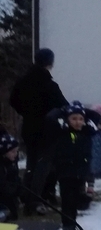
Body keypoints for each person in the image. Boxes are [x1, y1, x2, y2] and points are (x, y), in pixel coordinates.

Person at [9, 48, 67, 209]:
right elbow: (64, 105)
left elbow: (13, 101)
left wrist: (25, 112)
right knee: (43, 165)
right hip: (47, 130)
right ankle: (35, 199)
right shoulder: (50, 85)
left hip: (28, 127)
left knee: (31, 163)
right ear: (50, 63)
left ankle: (26, 195)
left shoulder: (22, 82)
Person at [36, 103, 99, 230]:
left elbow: (96, 115)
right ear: (67, 119)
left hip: (80, 172)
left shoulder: (86, 132)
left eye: (80, 119)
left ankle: (73, 226)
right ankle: (66, 228)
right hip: (65, 172)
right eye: (74, 118)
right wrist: (63, 110)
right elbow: (50, 117)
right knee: (67, 201)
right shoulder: (61, 131)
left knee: (74, 201)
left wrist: (81, 109)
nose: (77, 122)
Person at [0, 133, 21, 222]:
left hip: (11, 197)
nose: (15, 154)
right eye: (12, 152)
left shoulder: (11, 164)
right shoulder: (2, 167)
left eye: (17, 151)